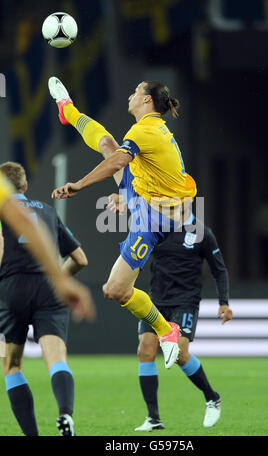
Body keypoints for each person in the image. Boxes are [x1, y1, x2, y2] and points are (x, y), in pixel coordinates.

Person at [48, 77, 198, 369]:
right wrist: (125, 195)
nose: (130, 95)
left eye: (134, 91)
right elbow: (121, 158)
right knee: (106, 143)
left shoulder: (146, 131)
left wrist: (80, 184)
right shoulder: (151, 130)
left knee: (113, 290)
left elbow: (118, 163)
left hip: (156, 218)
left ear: (146, 100)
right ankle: (68, 110)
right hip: (146, 197)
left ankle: (167, 330)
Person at [108, 194, 232, 431]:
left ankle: (212, 396)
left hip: (185, 302)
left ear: (187, 203)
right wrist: (121, 200)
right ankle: (153, 418)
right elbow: (137, 220)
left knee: (179, 352)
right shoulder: (157, 228)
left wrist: (224, 302)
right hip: (156, 300)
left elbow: (220, 270)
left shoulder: (202, 233)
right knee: (145, 350)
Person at [0, 162, 91, 436]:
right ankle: (65, 414)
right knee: (56, 357)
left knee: (12, 364)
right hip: (49, 288)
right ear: (25, 187)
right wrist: (60, 279)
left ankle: (32, 435)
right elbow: (80, 259)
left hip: (12, 287)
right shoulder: (49, 212)